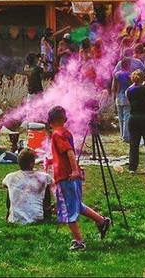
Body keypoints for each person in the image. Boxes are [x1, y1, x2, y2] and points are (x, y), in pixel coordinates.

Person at [47, 105, 111, 251]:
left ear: (49, 121)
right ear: (65, 119)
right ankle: (101, 221)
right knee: (78, 204)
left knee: (69, 209)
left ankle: (79, 241)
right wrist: (51, 161)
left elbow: (69, 152)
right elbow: (65, 154)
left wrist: (75, 170)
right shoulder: (66, 132)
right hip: (71, 176)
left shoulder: (56, 134)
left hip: (66, 177)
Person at [3, 148, 52, 224]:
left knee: (10, 186)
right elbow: (53, 183)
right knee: (45, 187)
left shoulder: (10, 177)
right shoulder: (43, 177)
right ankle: (47, 210)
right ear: (32, 163)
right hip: (37, 217)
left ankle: (10, 211)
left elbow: (4, 184)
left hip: (15, 219)